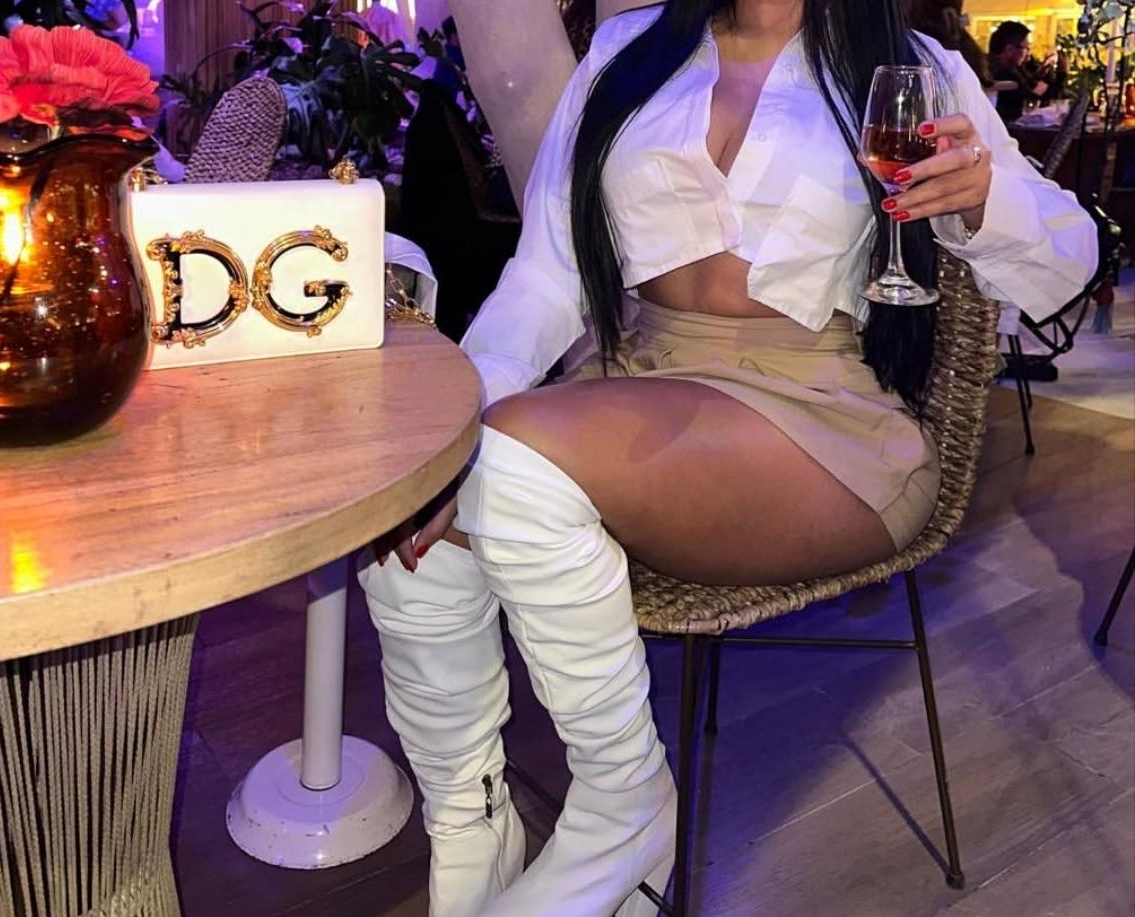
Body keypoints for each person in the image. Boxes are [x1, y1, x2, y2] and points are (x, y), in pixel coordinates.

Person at [360, 2, 1097, 915]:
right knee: (409, 506)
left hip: (818, 417)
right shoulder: (630, 50)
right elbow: (548, 274)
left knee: (499, 464)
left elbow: (1073, 260)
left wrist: (983, 199)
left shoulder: (908, 66)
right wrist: (449, 430)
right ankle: (469, 824)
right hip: (634, 380)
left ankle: (624, 805)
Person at [989, 20, 1051, 122]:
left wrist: (1039, 76)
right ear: (1009, 50)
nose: (1028, 53)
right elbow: (1030, 99)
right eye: (1026, 48)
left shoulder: (998, 67)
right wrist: (1053, 76)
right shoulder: (1004, 72)